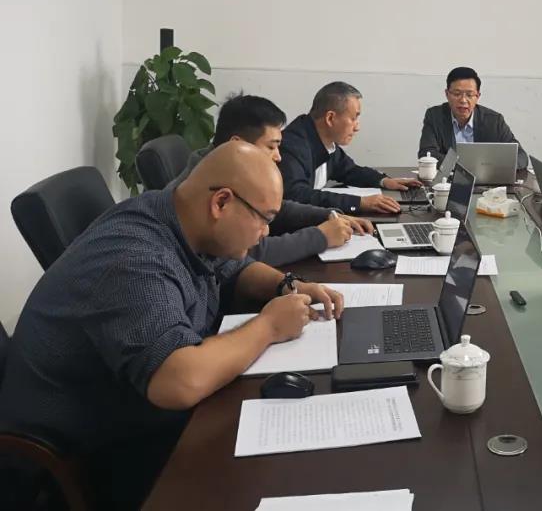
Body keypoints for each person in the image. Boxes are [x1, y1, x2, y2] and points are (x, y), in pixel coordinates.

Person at [0, 143, 345, 508]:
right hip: (84, 456)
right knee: (274, 475)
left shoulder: (179, 216)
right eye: (264, 218)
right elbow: (179, 381)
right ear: (221, 203)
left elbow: (232, 267)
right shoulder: (134, 257)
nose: (265, 232)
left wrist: (286, 285)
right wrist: (270, 327)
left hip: (133, 410)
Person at [170, 93, 375, 266]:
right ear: (237, 145)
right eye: (271, 146)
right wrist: (321, 237)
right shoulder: (211, 186)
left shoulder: (224, 167)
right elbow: (251, 252)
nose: (278, 157)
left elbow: (275, 209)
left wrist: (328, 215)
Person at [279, 81, 421, 213]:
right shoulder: (293, 145)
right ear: (330, 118)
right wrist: (358, 203)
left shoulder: (323, 139)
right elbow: (297, 195)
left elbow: (350, 170)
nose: (357, 127)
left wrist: (384, 181)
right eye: (353, 118)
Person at [417, 66, 528, 169]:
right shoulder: (435, 116)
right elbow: (427, 153)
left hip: (487, 180)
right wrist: (466, 166)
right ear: (447, 94)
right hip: (448, 180)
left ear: (478, 96)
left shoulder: (494, 121)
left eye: (469, 95)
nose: (463, 100)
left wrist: (493, 166)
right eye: (457, 94)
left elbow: (521, 157)